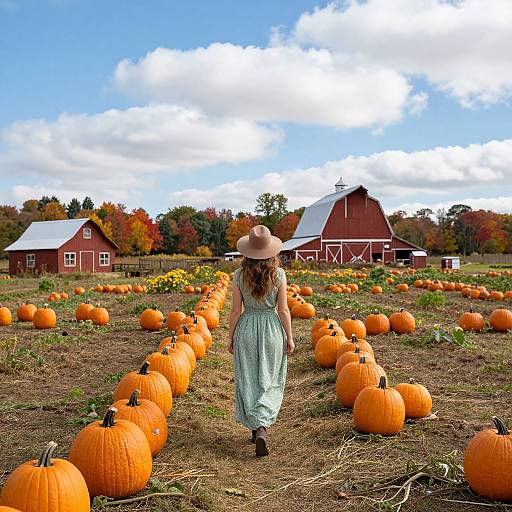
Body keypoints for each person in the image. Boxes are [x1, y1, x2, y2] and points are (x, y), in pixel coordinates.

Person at [228, 225, 294, 457]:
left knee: (248, 377)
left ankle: (255, 427)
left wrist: (230, 336)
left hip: (246, 328)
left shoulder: (238, 275)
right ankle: (262, 428)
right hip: (271, 329)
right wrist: (289, 336)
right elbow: (284, 310)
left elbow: (235, 311)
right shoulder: (279, 275)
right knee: (270, 378)